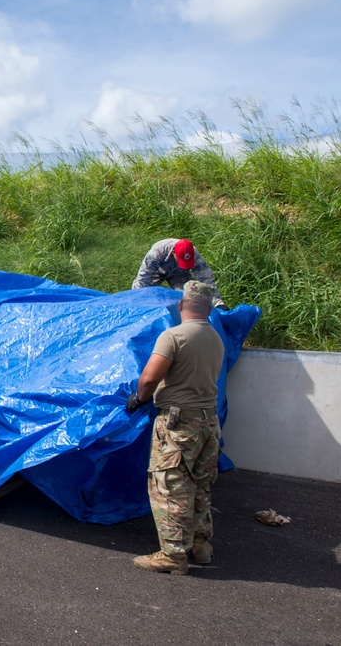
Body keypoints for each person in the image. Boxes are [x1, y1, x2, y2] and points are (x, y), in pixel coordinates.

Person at [125, 280, 225, 575]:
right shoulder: (216, 338)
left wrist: (139, 398)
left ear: (182, 305)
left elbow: (148, 378)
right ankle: (201, 547)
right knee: (200, 486)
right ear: (207, 308)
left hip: (179, 424)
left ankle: (172, 555)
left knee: (169, 486)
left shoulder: (174, 336)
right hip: (208, 423)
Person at [132, 238, 228, 309]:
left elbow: (206, 279)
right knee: (142, 295)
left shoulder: (193, 253)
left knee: (190, 295)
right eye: (181, 259)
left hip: (179, 274)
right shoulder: (156, 253)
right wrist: (139, 301)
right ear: (173, 252)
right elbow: (143, 278)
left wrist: (218, 303)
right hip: (157, 271)